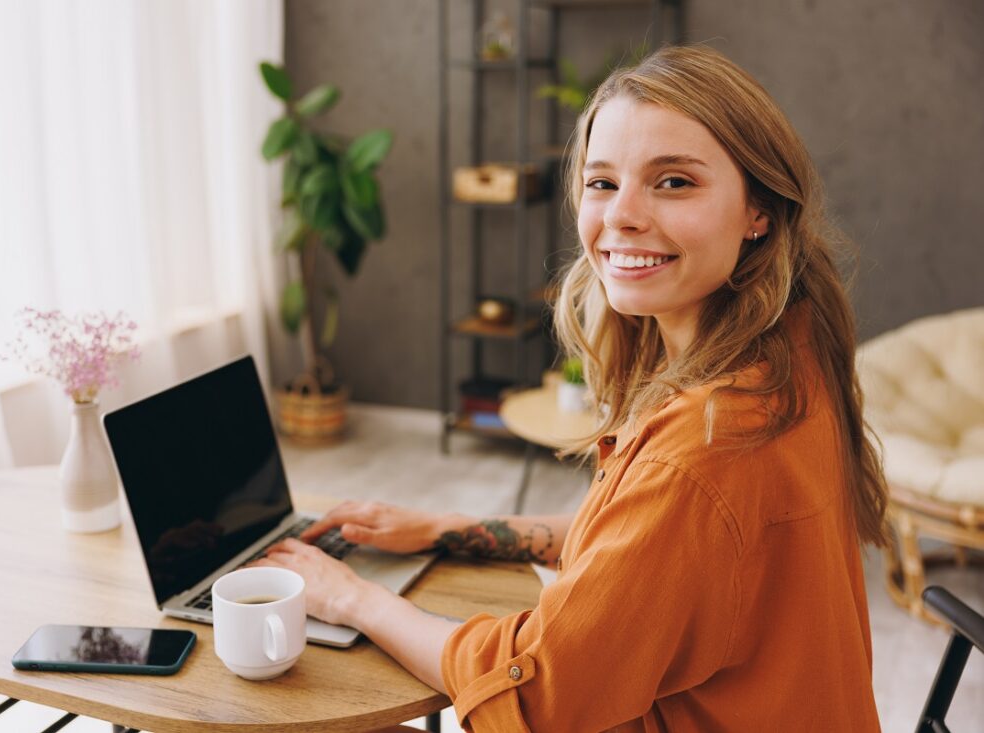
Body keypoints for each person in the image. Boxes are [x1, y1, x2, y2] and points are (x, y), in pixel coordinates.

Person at [253, 44, 887, 732]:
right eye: (602, 182)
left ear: (758, 210)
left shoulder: (706, 449)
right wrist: (451, 528)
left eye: (674, 182)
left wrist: (352, 597)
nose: (622, 216)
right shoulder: (790, 350)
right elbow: (645, 542)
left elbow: (538, 691)